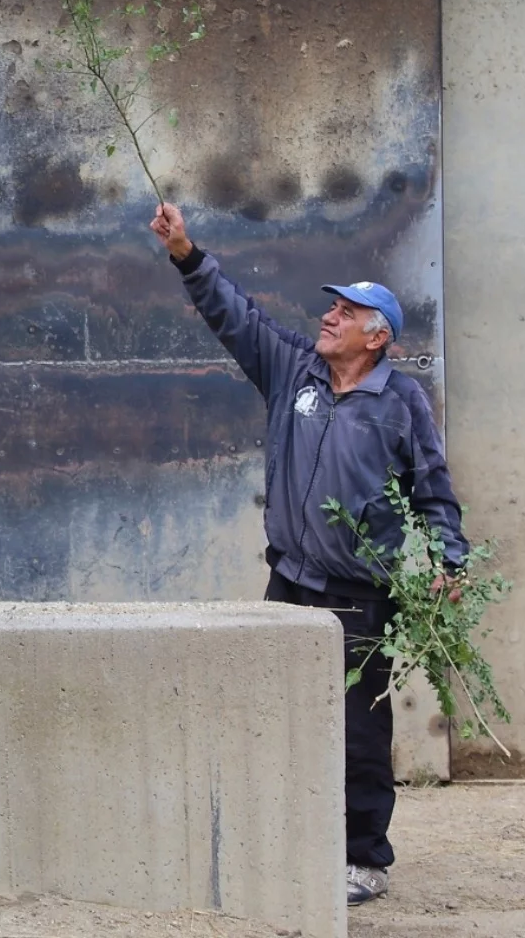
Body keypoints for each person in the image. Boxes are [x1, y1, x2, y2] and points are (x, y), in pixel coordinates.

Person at [149, 202, 469, 907]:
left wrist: (451, 559)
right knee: (270, 714)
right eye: (332, 308)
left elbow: (433, 490)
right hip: (288, 583)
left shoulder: (400, 403)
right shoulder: (294, 371)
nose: (329, 316)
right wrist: (185, 252)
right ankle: (289, 842)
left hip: (358, 597)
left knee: (357, 733)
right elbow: (236, 318)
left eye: (346, 313)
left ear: (377, 336)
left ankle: (364, 860)